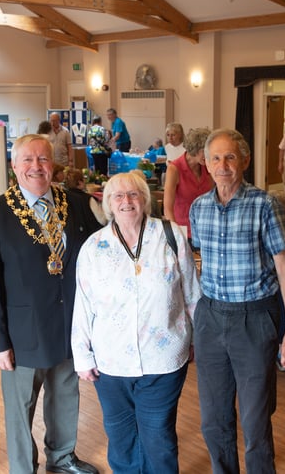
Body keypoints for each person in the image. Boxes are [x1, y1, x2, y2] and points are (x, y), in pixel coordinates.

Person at [0, 134, 101, 474]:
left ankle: (61, 459)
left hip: (69, 327)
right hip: (21, 334)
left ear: (53, 165)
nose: (36, 167)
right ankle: (22, 468)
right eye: (27, 160)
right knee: (20, 410)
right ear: (14, 165)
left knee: (65, 400)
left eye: (43, 159)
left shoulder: (75, 203)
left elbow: (101, 251)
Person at [71, 171, 200, 474]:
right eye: (118, 196)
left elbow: (193, 293)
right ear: (108, 204)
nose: (126, 201)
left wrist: (198, 340)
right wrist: (82, 355)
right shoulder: (94, 247)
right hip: (110, 364)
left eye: (133, 194)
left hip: (164, 358)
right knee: (121, 438)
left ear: (145, 200)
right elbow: (83, 304)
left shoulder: (169, 236)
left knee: (158, 437)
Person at [189, 128, 285, 473]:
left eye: (231, 157)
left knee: (255, 421)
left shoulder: (264, 204)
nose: (223, 165)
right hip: (210, 317)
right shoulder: (198, 208)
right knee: (213, 419)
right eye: (216, 158)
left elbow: (284, 268)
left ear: (245, 161)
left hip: (254, 319)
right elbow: (197, 262)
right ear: (206, 164)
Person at [162, 127, 213, 246]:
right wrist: (175, 235)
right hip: (183, 231)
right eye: (205, 152)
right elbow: (167, 208)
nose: (209, 155)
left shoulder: (208, 167)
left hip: (206, 230)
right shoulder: (174, 168)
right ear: (195, 150)